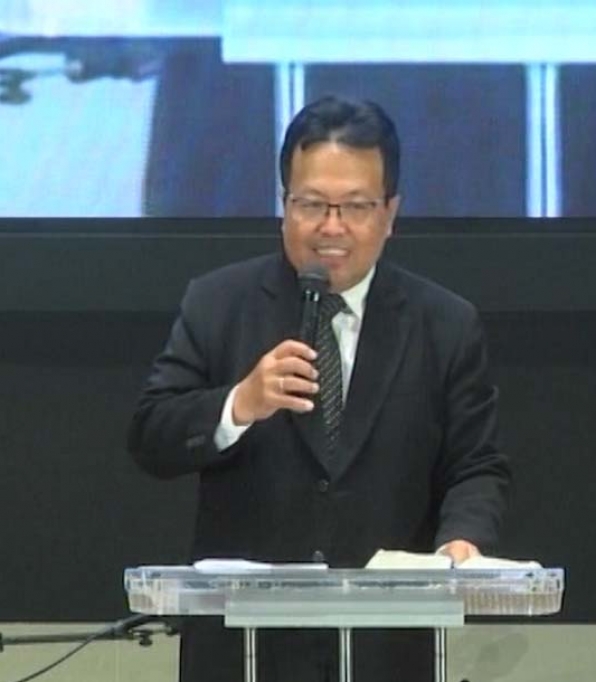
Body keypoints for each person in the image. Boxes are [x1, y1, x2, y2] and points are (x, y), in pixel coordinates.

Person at [128, 95, 510, 682]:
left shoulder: (444, 324)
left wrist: (461, 540)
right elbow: (151, 437)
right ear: (284, 205)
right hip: (244, 652)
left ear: (390, 213)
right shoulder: (220, 303)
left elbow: (476, 465)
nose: (331, 227)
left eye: (355, 206)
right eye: (311, 204)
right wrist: (238, 404)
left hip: (385, 651)